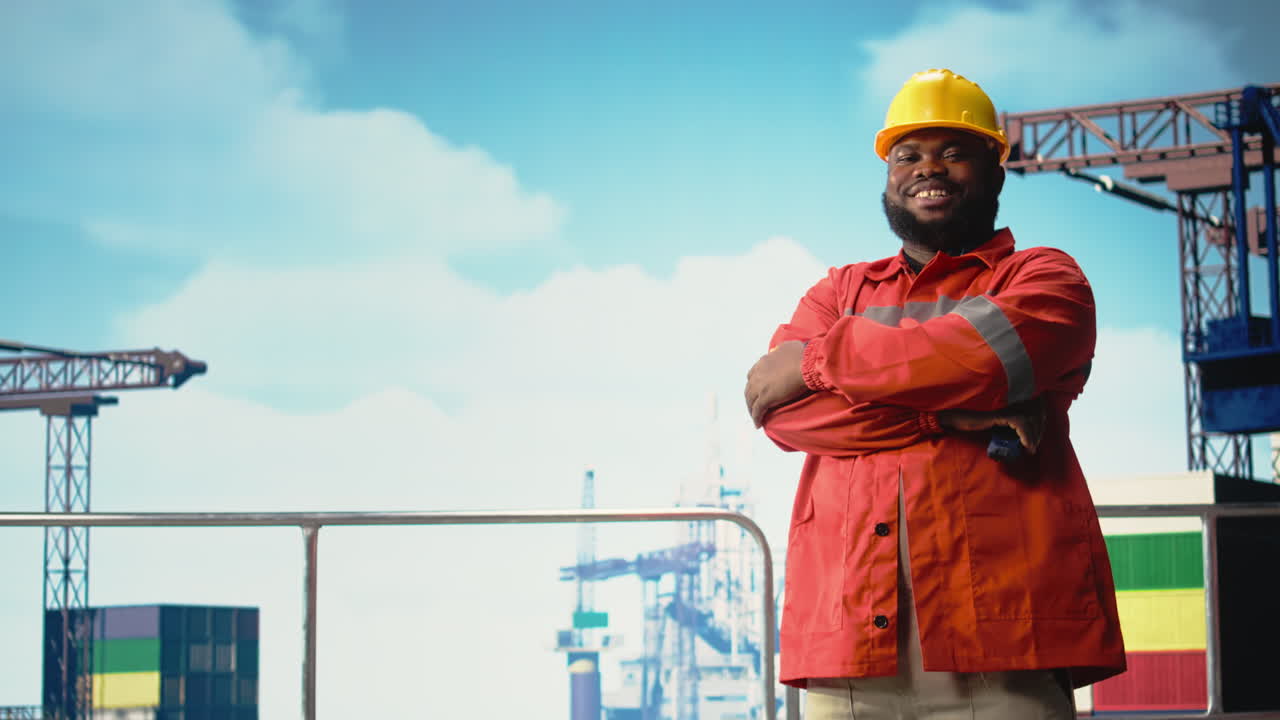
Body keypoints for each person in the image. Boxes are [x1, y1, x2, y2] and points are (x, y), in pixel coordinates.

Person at [743, 68, 1126, 719]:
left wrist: (815, 360)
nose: (929, 168)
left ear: (995, 172)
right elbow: (780, 414)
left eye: (954, 151)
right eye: (908, 155)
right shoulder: (838, 290)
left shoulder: (1045, 280)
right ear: (888, 176)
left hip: (1006, 646)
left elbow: (978, 358)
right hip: (849, 650)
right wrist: (951, 416)